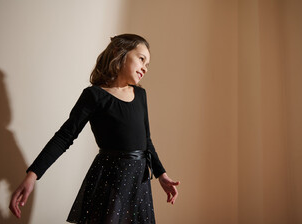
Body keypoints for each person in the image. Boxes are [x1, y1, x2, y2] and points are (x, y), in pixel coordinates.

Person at [9, 34, 180, 223]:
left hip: (138, 183)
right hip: (109, 182)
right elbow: (64, 137)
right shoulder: (94, 96)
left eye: (147, 64)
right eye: (141, 59)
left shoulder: (140, 95)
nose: (145, 68)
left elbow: (146, 140)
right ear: (119, 52)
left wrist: (161, 175)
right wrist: (32, 175)